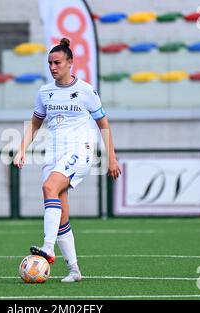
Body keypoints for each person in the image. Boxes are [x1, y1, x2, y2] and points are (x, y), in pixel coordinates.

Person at [13, 38, 121, 283]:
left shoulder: (86, 91)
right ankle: (74, 269)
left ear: (70, 62)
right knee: (61, 212)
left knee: (49, 187)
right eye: (50, 62)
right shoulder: (44, 92)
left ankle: (48, 248)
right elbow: (35, 124)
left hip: (80, 151)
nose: (53, 67)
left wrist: (111, 158)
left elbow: (103, 123)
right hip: (53, 155)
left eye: (57, 62)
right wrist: (21, 150)